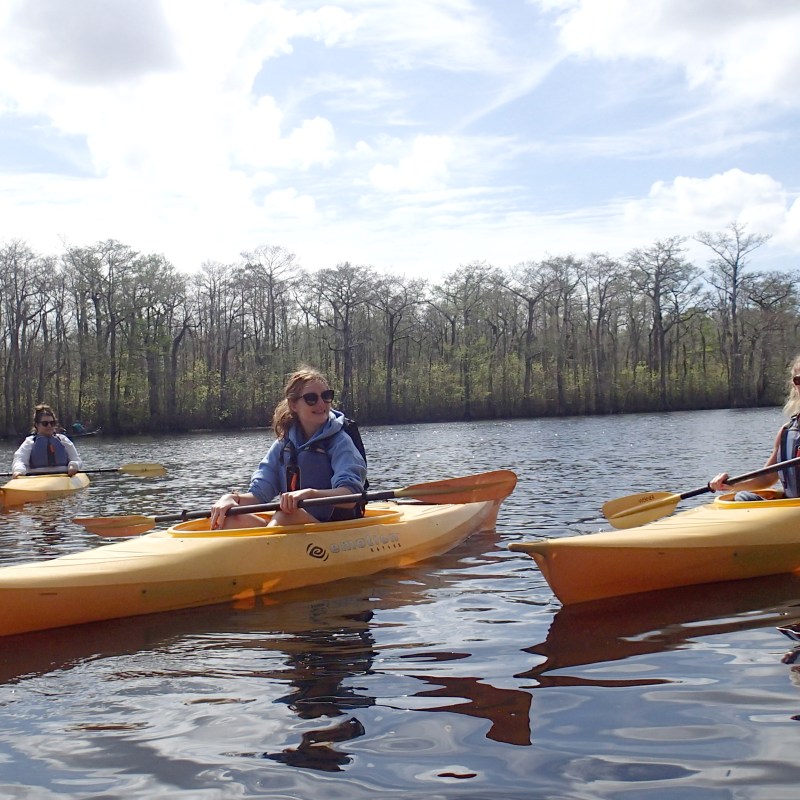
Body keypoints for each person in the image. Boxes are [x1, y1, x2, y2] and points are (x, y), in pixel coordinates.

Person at [210, 367, 367, 529]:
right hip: (296, 526)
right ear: (293, 405)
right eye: (311, 398)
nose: (321, 404)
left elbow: (351, 497)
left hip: (334, 530)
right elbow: (258, 494)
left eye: (326, 396)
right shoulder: (283, 445)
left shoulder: (341, 442)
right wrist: (231, 498)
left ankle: (268, 547)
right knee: (228, 518)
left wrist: (309, 494)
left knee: (286, 515)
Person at [709, 354, 800, 501]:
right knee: (743, 497)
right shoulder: (787, 432)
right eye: (799, 380)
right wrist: (730, 484)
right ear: (794, 386)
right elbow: (766, 478)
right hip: (792, 510)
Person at [11, 404, 84, 478]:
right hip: (36, 479)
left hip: (64, 477)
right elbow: (20, 459)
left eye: (52, 423)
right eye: (45, 423)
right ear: (37, 425)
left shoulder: (63, 439)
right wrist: (19, 470)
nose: (49, 426)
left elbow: (76, 459)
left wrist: (73, 466)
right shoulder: (30, 442)